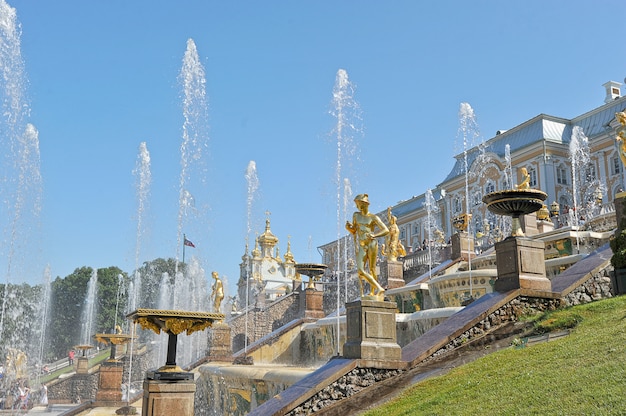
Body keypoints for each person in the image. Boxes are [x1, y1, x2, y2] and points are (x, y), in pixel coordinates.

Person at [345, 194, 389, 298]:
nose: (356, 206)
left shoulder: (373, 217)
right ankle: (379, 288)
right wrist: (348, 228)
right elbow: (354, 230)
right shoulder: (356, 215)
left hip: (371, 244)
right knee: (360, 270)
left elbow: (386, 230)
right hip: (361, 245)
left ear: (364, 204)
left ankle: (373, 292)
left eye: (358, 204)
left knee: (372, 268)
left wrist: (375, 234)